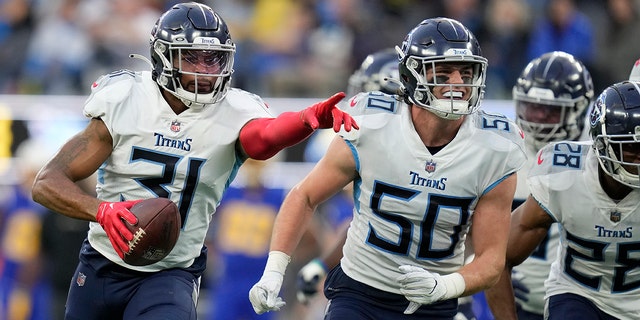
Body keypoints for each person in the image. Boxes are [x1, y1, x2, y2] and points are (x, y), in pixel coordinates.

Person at [29, 2, 357, 320]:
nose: (205, 70)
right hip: (101, 263)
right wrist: (102, 211)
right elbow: (47, 183)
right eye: (193, 58)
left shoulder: (234, 112)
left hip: (171, 273)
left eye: (214, 59)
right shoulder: (126, 99)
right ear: (162, 56)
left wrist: (307, 118)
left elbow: (265, 138)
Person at [249, 17, 527, 319]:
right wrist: (274, 271)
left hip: (435, 301)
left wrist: (444, 286)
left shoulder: (494, 147)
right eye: (444, 73)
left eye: (466, 72)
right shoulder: (372, 123)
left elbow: (491, 259)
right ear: (411, 75)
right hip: (360, 292)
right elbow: (305, 196)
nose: (458, 84)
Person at [484, 80, 640, 320]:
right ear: (602, 143)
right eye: (631, 147)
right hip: (578, 295)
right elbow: (498, 257)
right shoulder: (566, 176)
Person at [481, 51, 594, 320]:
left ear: (578, 110)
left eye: (550, 111)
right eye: (533, 107)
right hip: (514, 297)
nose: (538, 118)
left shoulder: (597, 159)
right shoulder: (502, 149)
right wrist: (493, 272)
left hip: (582, 301)